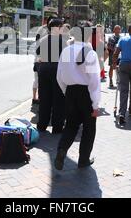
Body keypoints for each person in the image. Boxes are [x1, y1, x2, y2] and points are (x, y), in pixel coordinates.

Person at [54, 21, 101, 170]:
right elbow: (95, 81)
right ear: (88, 36)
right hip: (86, 94)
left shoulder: (66, 51)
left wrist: (65, 91)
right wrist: (95, 105)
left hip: (70, 92)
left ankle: (62, 150)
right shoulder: (91, 53)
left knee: (71, 125)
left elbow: (59, 76)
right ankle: (83, 160)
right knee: (89, 128)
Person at [36, 18, 67, 134]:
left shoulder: (43, 39)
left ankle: (42, 125)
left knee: (44, 98)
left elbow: (38, 53)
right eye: (61, 27)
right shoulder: (63, 41)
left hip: (44, 70)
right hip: (57, 71)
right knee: (58, 100)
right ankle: (57, 127)